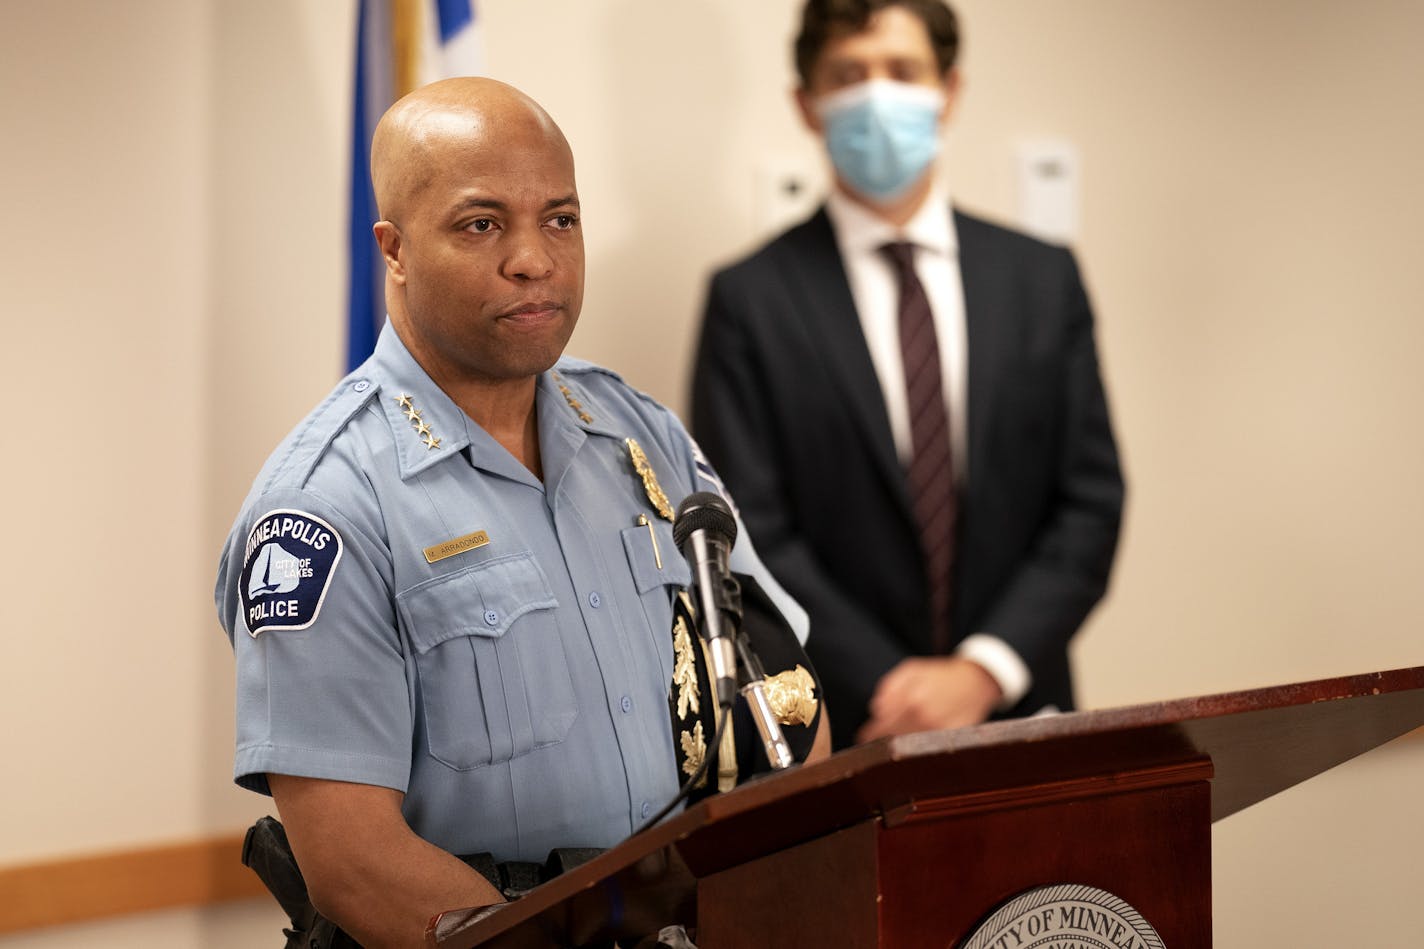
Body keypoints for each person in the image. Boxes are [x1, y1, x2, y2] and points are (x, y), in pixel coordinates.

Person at [215, 77, 816, 948]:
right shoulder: (325, 506)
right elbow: (353, 860)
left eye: (561, 219)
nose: (533, 258)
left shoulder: (642, 434)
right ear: (394, 249)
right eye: (481, 223)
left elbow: (786, 699)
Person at [691, 0, 1124, 750]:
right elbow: (750, 529)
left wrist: (981, 672)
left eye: (903, 71)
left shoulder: (1042, 280)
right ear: (806, 104)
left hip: (1028, 717)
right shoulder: (749, 300)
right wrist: (898, 686)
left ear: (948, 91)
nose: (877, 95)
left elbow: (1088, 501)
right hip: (846, 726)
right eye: (848, 75)